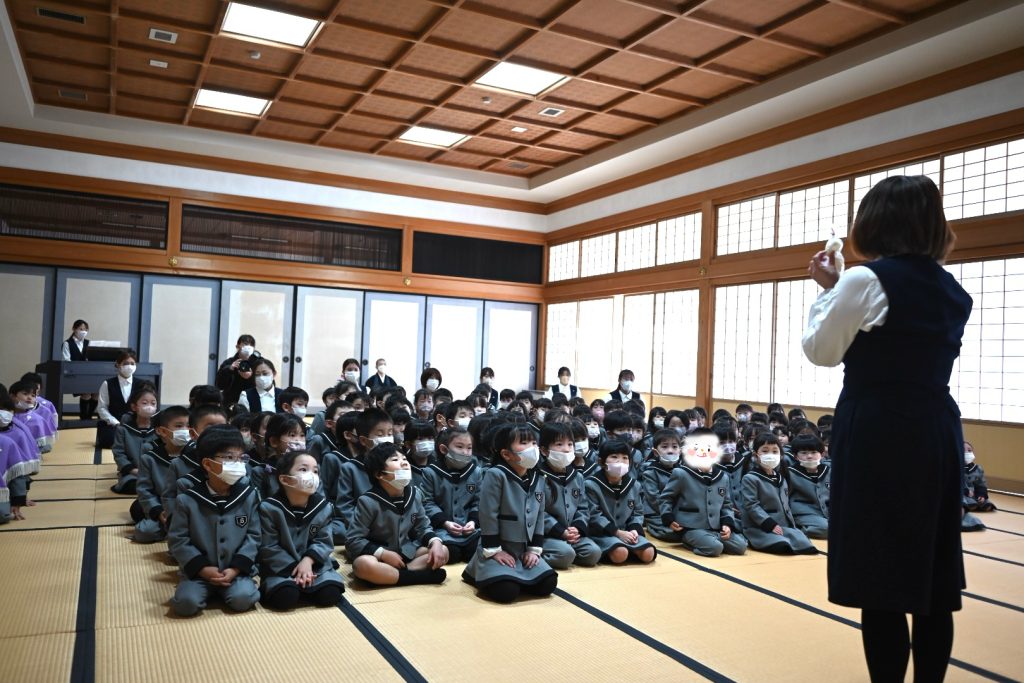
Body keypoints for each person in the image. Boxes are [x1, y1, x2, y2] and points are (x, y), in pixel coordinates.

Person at [803, 175, 970, 682]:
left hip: (879, 429)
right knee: (932, 578)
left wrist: (829, 291)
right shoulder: (951, 287)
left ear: (874, 222)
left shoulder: (864, 278)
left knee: (880, 575)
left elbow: (822, 350)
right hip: (936, 428)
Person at [167, 426, 260, 617]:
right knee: (185, 604)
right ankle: (205, 587)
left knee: (242, 599)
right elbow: (178, 539)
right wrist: (202, 569)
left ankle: (235, 585)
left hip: (236, 571)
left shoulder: (249, 496)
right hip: (200, 572)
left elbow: (254, 535)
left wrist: (236, 568)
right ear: (208, 465)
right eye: (229, 458)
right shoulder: (187, 500)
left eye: (240, 458)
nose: (237, 464)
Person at [462, 422, 557, 603]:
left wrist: (534, 550)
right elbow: (488, 515)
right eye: (524, 443)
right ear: (506, 454)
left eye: (534, 443)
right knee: (506, 592)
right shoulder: (496, 474)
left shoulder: (538, 476)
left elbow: (539, 515)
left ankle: (514, 575)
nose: (532, 448)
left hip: (523, 549)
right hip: (499, 547)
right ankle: (479, 569)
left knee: (548, 584)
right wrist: (495, 551)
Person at [346, 443, 448, 586]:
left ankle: (401, 574)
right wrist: (383, 554)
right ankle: (418, 577)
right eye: (395, 460)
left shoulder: (415, 494)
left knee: (443, 550)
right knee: (362, 565)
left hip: (407, 553)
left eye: (404, 458)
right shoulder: (368, 501)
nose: (404, 462)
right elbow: (353, 540)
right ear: (379, 474)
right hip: (380, 557)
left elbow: (423, 528)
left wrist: (435, 542)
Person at [257, 451, 345, 609]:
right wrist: (296, 569)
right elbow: (269, 546)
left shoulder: (323, 507)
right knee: (285, 598)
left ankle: (309, 580)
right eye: (303, 469)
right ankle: (297, 582)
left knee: (330, 595)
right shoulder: (269, 508)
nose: (312, 475)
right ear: (285, 479)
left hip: (314, 563)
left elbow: (324, 541)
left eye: (315, 471)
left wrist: (308, 561)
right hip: (281, 566)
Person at [658, 428, 747, 557]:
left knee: (741, 546)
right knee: (715, 548)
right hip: (690, 527)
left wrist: (727, 524)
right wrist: (668, 518)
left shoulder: (722, 477)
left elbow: (726, 505)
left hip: (716, 527)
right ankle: (689, 541)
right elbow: (666, 498)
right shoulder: (681, 473)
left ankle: (711, 539)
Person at [740, 432, 816, 555]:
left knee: (805, 544)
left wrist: (792, 525)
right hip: (760, 526)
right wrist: (769, 524)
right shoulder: (750, 478)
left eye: (775, 451)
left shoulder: (781, 478)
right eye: (765, 451)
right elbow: (752, 505)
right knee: (782, 545)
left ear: (780, 455)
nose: (770, 454)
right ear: (755, 455)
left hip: (782, 525)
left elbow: (786, 505)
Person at [538, 421, 600, 569]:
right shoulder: (538, 476)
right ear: (544, 450)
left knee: (593, 553)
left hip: (572, 532)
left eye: (570, 444)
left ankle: (568, 548)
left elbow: (583, 507)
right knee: (565, 555)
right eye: (559, 444)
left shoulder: (577, 476)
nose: (566, 449)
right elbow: (538, 511)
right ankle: (535, 554)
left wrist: (577, 528)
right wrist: (560, 531)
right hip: (548, 534)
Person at [585, 438, 656, 565]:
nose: (620, 461)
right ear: (601, 462)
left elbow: (638, 512)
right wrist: (617, 533)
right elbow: (594, 515)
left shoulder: (634, 485)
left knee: (648, 553)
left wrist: (634, 529)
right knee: (620, 554)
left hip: (626, 531)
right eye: (614, 457)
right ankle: (616, 550)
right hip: (602, 533)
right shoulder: (591, 484)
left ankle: (628, 548)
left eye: (625, 458)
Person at [419, 427, 482, 564]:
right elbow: (427, 502)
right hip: (443, 530)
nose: (465, 452)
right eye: (459, 447)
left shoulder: (476, 472)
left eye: (469, 448)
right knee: (451, 553)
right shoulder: (431, 472)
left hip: (470, 531)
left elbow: (479, 501)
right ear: (444, 449)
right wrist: (445, 523)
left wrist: (473, 522)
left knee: (477, 551)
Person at [131, 405, 190, 543]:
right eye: (179, 426)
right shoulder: (150, 458)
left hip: (189, 508)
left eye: (188, 426)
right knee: (144, 532)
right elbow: (144, 489)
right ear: (162, 431)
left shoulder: (196, 455)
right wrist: (158, 511)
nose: (185, 430)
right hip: (163, 507)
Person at [110, 384, 159, 495]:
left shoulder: (159, 430)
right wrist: (132, 470)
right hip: (131, 473)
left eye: (153, 403)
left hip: (155, 472)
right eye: (144, 403)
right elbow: (118, 453)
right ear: (134, 407)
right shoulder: (123, 430)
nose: (149, 407)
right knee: (132, 485)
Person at [786, 433, 831, 539]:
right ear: (795, 456)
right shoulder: (789, 473)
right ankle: (798, 529)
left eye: (814, 452)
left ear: (822, 454)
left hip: (827, 512)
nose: (809, 456)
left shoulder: (829, 470)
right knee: (827, 528)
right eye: (804, 453)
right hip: (804, 514)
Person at [95, 349, 139, 449]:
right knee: (110, 440)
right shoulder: (107, 384)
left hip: (134, 424)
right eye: (126, 363)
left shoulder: (141, 384)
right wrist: (115, 422)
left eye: (132, 363)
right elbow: (102, 408)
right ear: (118, 365)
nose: (129, 366)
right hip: (113, 424)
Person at [61, 319, 96, 419]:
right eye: (81, 329)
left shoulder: (89, 343)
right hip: (75, 375)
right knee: (86, 392)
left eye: (85, 329)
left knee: (97, 392)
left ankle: (89, 416)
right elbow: (66, 361)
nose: (83, 331)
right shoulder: (67, 343)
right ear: (74, 329)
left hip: (88, 374)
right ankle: (84, 417)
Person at [215, 335, 259, 405]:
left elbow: (268, 384)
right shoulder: (228, 362)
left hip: (253, 401)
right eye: (245, 344)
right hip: (231, 402)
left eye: (251, 345)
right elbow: (219, 385)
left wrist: (251, 376)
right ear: (237, 346)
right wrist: (229, 369)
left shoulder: (259, 363)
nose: (248, 347)